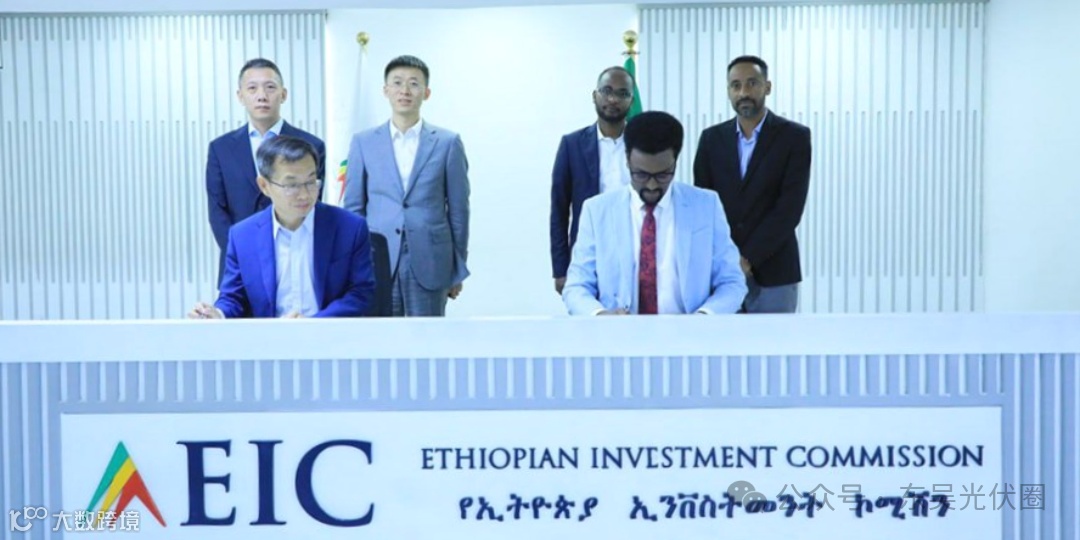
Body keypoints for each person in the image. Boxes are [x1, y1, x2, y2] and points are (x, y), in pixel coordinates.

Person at [562, 111, 747, 315]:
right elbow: (576, 287)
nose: (651, 185)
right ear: (627, 160)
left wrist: (704, 316)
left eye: (662, 175)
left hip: (689, 330)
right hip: (620, 331)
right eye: (641, 175)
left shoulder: (706, 206)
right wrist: (601, 315)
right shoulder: (597, 211)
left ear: (675, 162)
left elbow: (732, 282)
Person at [188, 136, 374, 319]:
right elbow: (233, 298)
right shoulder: (243, 236)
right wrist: (217, 314)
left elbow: (360, 292)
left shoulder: (350, 228)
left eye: (310, 182)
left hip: (328, 334)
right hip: (270, 337)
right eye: (292, 185)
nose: (304, 195)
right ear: (264, 186)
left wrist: (315, 324)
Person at [343, 55, 470, 317]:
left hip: (430, 259)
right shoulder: (363, 142)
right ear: (386, 90)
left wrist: (457, 268)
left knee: (428, 337)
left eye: (414, 83)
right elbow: (354, 208)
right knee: (381, 336)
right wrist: (353, 263)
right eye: (397, 83)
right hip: (377, 258)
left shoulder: (447, 142)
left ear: (426, 92)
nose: (405, 90)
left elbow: (459, 211)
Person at [693, 55, 812, 313]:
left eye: (752, 83)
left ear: (767, 87)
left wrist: (747, 259)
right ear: (728, 91)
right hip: (721, 271)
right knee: (721, 339)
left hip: (775, 269)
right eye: (735, 85)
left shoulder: (794, 137)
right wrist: (728, 260)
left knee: (775, 339)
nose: (744, 92)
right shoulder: (711, 139)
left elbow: (789, 209)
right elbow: (703, 206)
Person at [205, 58, 326, 286]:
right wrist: (240, 255)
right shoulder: (220, 148)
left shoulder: (311, 145)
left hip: (296, 260)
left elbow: (311, 205)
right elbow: (217, 211)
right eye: (252, 88)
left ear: (283, 94)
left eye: (270, 87)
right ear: (240, 96)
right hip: (239, 265)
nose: (262, 96)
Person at [550, 66, 636, 295]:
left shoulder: (642, 144)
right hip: (589, 252)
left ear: (631, 100)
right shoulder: (572, 145)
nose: (613, 99)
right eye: (606, 91)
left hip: (637, 249)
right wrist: (560, 269)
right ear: (594, 95)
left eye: (622, 93)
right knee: (590, 315)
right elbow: (559, 210)